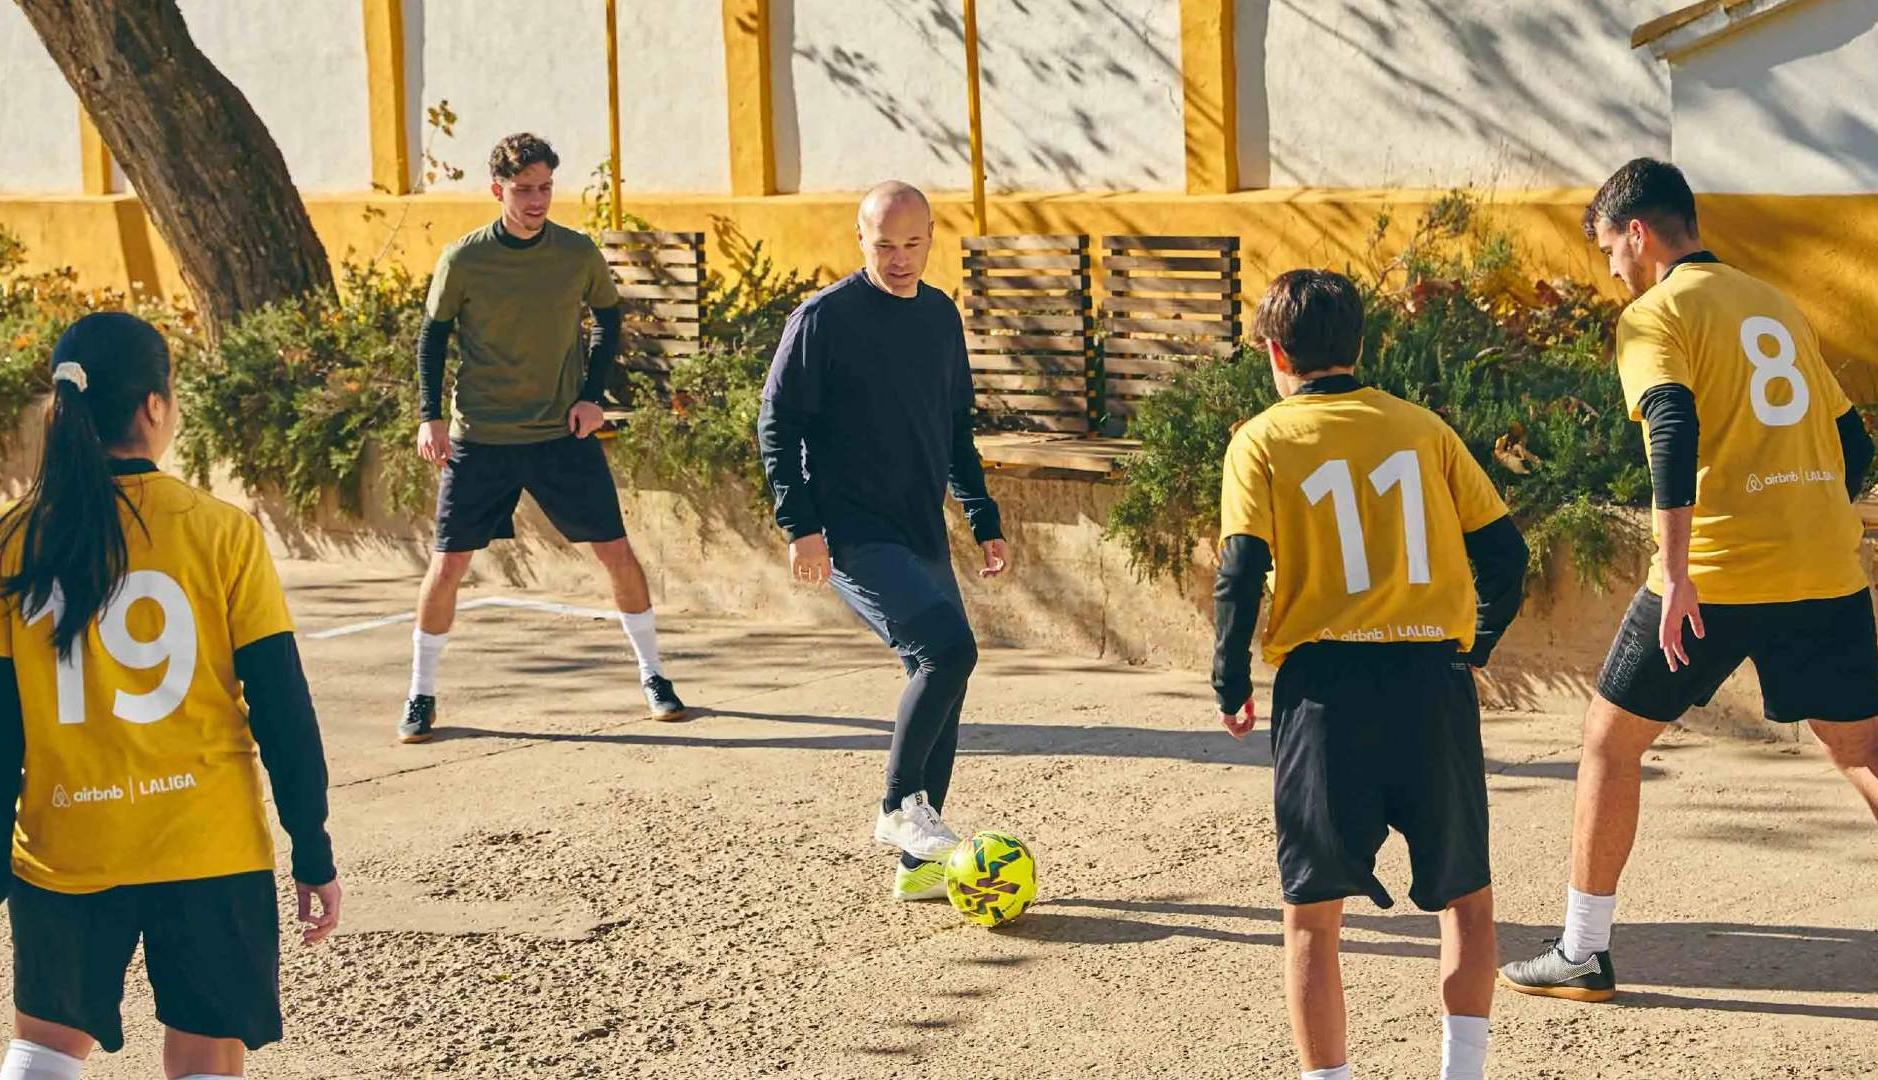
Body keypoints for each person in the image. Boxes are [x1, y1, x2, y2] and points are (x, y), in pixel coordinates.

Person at [1500, 159, 1878, 1002]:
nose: (1610, 271)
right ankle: (1580, 950)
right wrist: (1807, 510)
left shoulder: (1655, 315)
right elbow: (1856, 447)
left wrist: (1673, 572)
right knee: (1861, 750)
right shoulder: (1773, 304)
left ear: (1639, 233)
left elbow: (1669, 426)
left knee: (1609, 740)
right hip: (1823, 565)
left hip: (1717, 573)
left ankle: (1583, 951)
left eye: (1608, 250)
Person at [0, 313, 341, 1079]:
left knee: (44, 1049)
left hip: (66, 852)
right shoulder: (221, 531)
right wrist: (311, 848)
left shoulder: (15, 540)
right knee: (205, 1058)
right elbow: (284, 710)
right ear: (154, 407)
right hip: (207, 850)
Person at [1213, 270, 1529, 1080]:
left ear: (1275, 353)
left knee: (1312, 917)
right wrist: (1475, 645)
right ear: (1360, 346)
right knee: (1467, 897)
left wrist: (1230, 678)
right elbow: (1503, 555)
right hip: (1432, 681)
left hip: (1325, 694)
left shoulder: (1262, 439)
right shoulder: (1423, 429)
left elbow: (1241, 568)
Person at [757, 180, 1010, 902]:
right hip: (850, 528)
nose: (899, 259)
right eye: (884, 244)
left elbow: (954, 428)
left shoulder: (939, 315)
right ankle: (900, 808)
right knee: (947, 651)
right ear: (860, 240)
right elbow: (776, 425)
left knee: (946, 681)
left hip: (918, 524)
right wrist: (800, 527)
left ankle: (920, 866)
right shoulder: (823, 320)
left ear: (931, 238)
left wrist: (982, 518)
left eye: (913, 243)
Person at [400, 132, 684, 743]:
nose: (536, 200)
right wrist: (430, 415)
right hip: (483, 435)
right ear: (498, 189)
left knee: (616, 553)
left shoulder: (576, 253)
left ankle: (655, 676)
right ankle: (420, 695)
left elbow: (608, 321)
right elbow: (432, 338)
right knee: (448, 565)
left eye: (546, 187)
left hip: (560, 432)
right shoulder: (464, 260)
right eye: (524, 190)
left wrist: (591, 396)